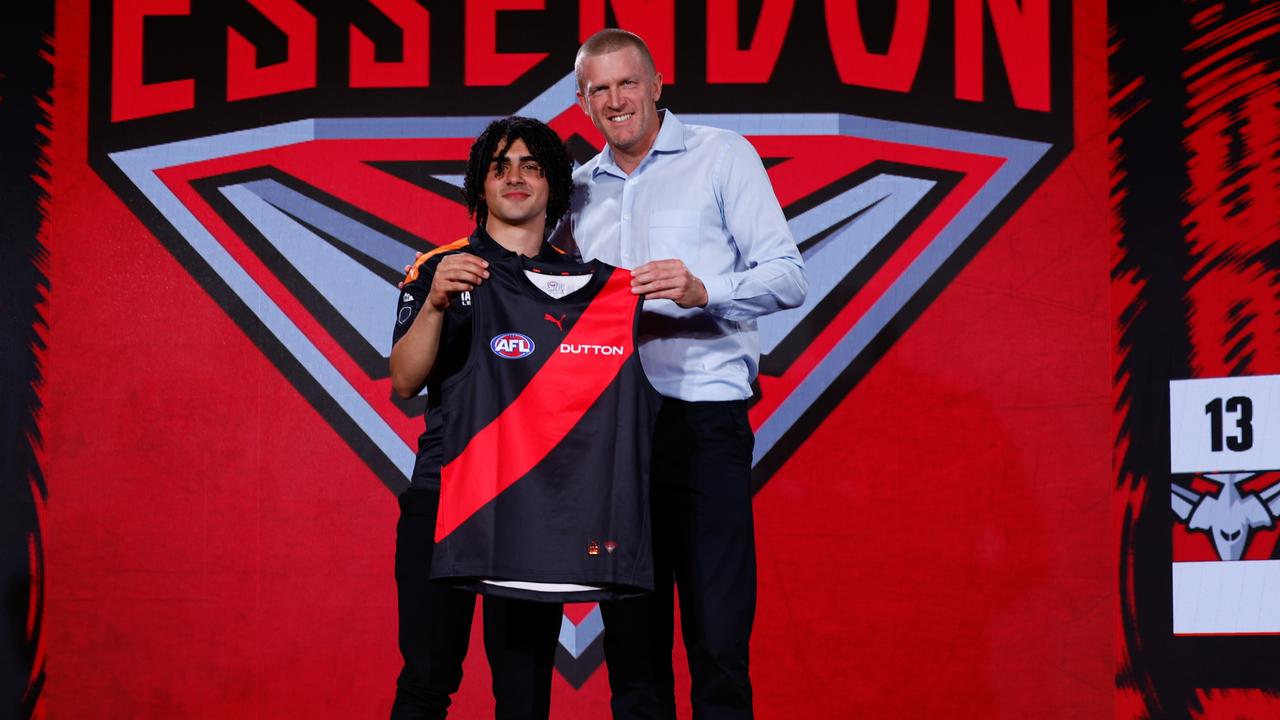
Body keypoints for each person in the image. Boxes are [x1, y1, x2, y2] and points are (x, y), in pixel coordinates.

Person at [553, 29, 808, 720]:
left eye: (626, 82)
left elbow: (788, 277)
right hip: (611, 436)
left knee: (718, 639)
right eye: (598, 90)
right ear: (581, 104)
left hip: (702, 420)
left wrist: (704, 290)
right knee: (633, 651)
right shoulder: (576, 192)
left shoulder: (720, 156)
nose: (616, 100)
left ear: (657, 83)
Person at [388, 116, 575, 720]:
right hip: (446, 493)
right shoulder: (438, 267)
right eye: (499, 166)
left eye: (530, 165)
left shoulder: (580, 281)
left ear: (555, 186)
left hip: (535, 506)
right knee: (426, 678)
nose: (514, 177)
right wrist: (437, 302)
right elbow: (404, 381)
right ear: (479, 184)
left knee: (524, 696)